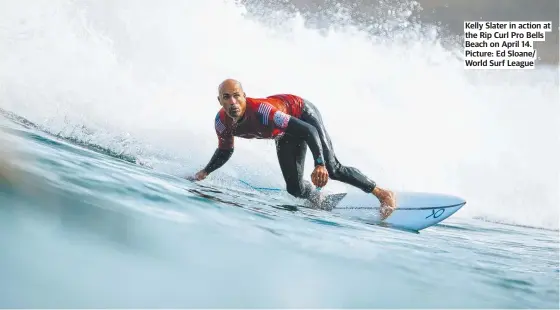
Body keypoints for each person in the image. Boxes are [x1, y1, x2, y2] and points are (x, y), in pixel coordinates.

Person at [191, 79, 397, 220]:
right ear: (219, 100)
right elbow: (225, 150)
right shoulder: (222, 123)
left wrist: (319, 164)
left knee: (332, 169)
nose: (232, 102)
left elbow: (307, 130)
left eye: (236, 96)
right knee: (294, 189)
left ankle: (382, 193)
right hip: (285, 133)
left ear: (245, 96)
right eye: (226, 97)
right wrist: (205, 172)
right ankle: (318, 198)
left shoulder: (265, 112)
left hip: (302, 115)